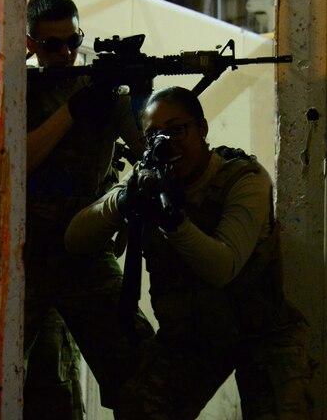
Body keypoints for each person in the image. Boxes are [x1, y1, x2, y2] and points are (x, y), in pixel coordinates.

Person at [65, 85, 314, 419]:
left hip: (263, 335)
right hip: (190, 340)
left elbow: (222, 267)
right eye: (154, 136)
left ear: (202, 129)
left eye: (177, 130)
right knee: (137, 408)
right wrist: (122, 201)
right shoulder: (148, 181)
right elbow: (74, 239)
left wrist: (173, 223)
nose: (168, 143)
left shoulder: (243, 179)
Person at [24, 0, 153, 419]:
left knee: (142, 370)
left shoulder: (103, 91)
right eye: (52, 45)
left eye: (73, 41)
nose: (65, 54)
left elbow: (146, 152)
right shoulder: (17, 90)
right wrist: (73, 111)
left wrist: (141, 96)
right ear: (30, 45)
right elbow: (17, 161)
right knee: (40, 387)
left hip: (86, 252)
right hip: (26, 257)